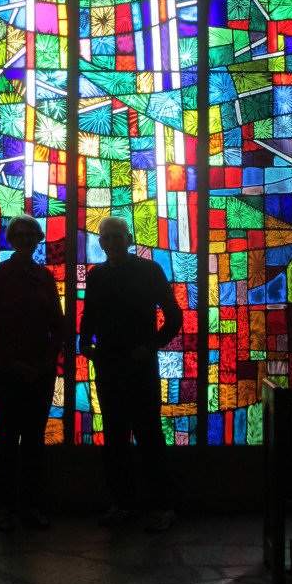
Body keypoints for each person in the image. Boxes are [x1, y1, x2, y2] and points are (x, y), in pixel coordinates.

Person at [79, 216, 183, 532]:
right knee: (114, 437)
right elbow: (90, 315)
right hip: (109, 366)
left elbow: (174, 317)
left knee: (149, 435)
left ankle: (162, 505)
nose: (110, 243)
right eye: (104, 238)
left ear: (128, 238)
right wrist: (86, 345)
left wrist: (149, 346)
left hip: (139, 367)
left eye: (116, 237)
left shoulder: (149, 271)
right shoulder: (97, 276)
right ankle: (124, 503)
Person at [0, 214, 65, 531]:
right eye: (21, 235)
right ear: (11, 240)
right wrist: (15, 361)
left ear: (38, 239)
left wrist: (46, 361)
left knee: (33, 440)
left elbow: (57, 323)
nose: (27, 240)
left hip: (39, 370)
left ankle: (29, 506)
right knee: (8, 439)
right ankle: (6, 507)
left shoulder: (44, 277)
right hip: (6, 369)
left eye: (32, 235)